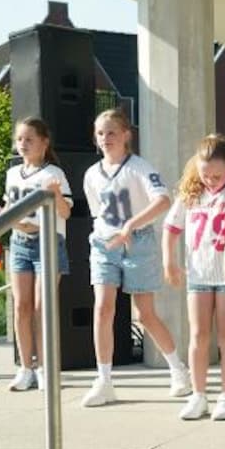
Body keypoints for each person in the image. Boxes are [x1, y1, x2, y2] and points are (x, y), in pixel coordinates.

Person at [79, 108, 191, 408]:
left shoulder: (139, 167)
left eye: (112, 132)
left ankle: (178, 369)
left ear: (126, 134)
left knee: (144, 313)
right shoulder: (92, 174)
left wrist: (132, 224)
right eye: (100, 133)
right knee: (103, 309)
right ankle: (104, 380)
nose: (105, 138)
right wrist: (112, 232)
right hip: (104, 243)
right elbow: (97, 212)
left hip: (138, 243)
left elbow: (163, 200)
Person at [163, 135, 225, 421]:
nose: (211, 181)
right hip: (199, 271)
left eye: (217, 175)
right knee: (198, 334)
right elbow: (171, 226)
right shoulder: (192, 191)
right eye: (205, 175)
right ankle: (198, 394)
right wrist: (169, 260)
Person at [3, 117, 73, 392]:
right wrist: (12, 221)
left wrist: (55, 194)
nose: (23, 144)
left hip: (47, 241)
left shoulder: (53, 174)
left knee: (42, 308)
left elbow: (66, 212)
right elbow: (8, 207)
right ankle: (26, 367)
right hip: (19, 242)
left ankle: (45, 367)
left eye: (29, 139)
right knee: (21, 306)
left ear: (44, 142)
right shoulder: (12, 173)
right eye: (19, 139)